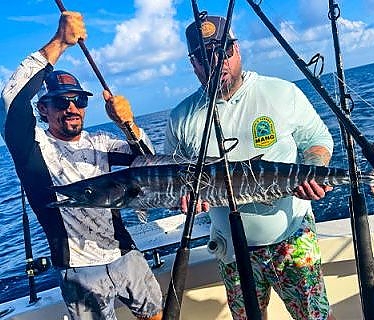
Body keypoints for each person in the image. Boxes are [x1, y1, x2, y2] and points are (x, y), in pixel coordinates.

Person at [165, 15, 336, 320]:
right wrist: (187, 199)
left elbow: (317, 140)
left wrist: (313, 168)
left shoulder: (281, 92)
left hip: (293, 237)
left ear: (238, 50)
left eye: (224, 51)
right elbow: (176, 177)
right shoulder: (181, 118)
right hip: (232, 249)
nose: (217, 63)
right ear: (194, 64)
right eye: (205, 57)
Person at [0, 11, 163, 320]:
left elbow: (149, 165)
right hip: (78, 269)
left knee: (157, 315)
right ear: (43, 110)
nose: (72, 107)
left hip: (124, 253)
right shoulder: (32, 146)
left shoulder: (101, 142)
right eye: (61, 102)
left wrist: (130, 126)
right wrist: (59, 42)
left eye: (79, 100)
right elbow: (10, 102)